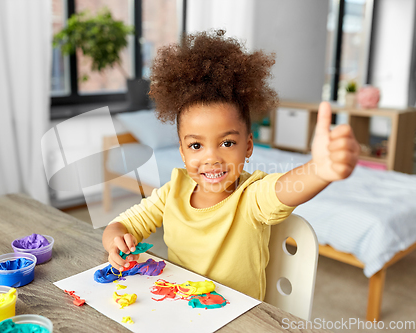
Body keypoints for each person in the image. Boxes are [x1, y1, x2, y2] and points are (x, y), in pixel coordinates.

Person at [102, 30, 359, 300]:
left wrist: (319, 170)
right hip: (179, 308)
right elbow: (120, 225)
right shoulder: (171, 192)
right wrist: (116, 241)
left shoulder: (250, 197)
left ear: (248, 146)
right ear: (182, 151)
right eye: (196, 146)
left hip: (239, 320)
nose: (212, 158)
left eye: (226, 143)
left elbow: (284, 189)